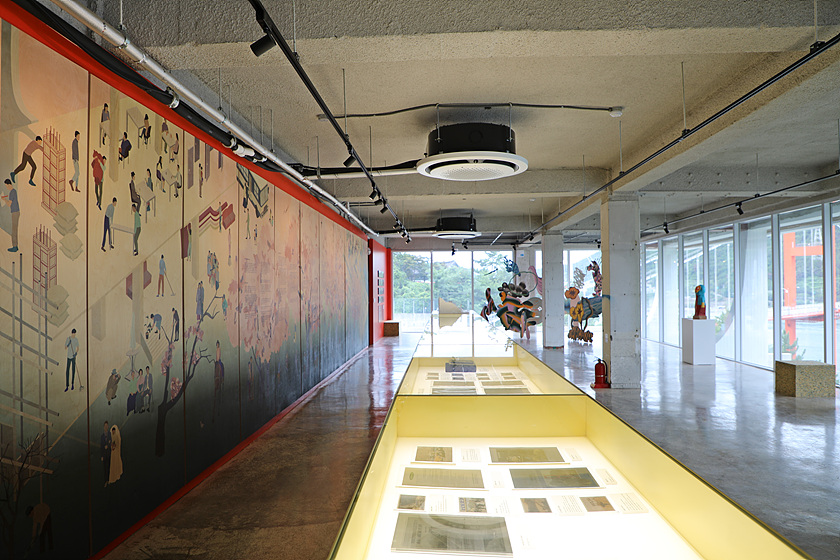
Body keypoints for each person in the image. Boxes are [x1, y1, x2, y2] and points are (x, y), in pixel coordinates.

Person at [2, 178, 19, 252]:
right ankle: (15, 246)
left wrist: (4, 200)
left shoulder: (12, 192)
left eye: (6, 186)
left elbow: (9, 204)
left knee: (14, 230)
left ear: (9, 185)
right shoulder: (14, 191)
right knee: (14, 229)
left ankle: (14, 246)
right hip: (16, 211)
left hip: (15, 212)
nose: (7, 188)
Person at [100, 421, 111, 486]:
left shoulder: (110, 434)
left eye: (107, 426)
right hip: (104, 455)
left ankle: (109, 480)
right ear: (104, 427)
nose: (106, 427)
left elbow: (111, 442)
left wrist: (108, 446)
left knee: (109, 467)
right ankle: (105, 481)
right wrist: (102, 456)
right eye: (105, 426)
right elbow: (101, 446)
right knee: (105, 468)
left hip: (109, 454)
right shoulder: (102, 436)